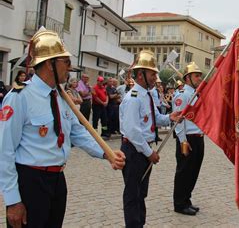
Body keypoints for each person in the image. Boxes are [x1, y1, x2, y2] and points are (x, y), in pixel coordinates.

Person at [0, 29, 125, 228]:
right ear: (50, 64)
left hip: (57, 180)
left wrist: (107, 153)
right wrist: (13, 200)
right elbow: (4, 151)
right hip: (31, 182)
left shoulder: (61, 96)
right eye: (65, 62)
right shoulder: (19, 97)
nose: (70, 67)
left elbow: (78, 132)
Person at [120, 50, 181, 227]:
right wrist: (149, 153)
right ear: (140, 75)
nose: (156, 77)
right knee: (133, 194)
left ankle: (140, 224)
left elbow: (155, 119)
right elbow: (133, 132)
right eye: (152, 73)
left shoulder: (146, 95)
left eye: (155, 73)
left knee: (141, 193)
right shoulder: (133, 98)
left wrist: (170, 117)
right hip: (134, 151)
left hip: (142, 151)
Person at [173, 62, 205, 215]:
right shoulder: (183, 95)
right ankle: (179, 203)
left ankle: (187, 199)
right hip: (188, 139)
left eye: (200, 75)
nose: (199, 78)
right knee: (184, 172)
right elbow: (179, 120)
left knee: (193, 172)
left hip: (198, 138)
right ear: (187, 78)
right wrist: (182, 140)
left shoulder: (196, 94)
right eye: (196, 75)